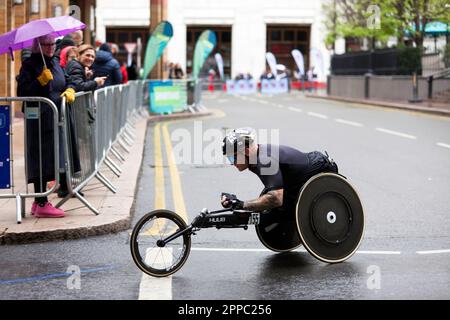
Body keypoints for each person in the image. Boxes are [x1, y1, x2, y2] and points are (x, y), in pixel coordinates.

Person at [16, 34, 77, 218]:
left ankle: (39, 201)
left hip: (55, 117)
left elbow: (67, 79)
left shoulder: (55, 62)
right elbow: (22, 92)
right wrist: (39, 81)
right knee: (41, 158)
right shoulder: (30, 64)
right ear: (38, 45)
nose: (50, 48)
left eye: (52, 44)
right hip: (40, 118)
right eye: (46, 44)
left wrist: (71, 88)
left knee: (51, 157)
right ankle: (42, 202)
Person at [220, 128, 338, 215]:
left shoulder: (264, 160)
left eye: (232, 158)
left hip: (321, 168)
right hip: (298, 177)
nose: (232, 163)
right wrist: (237, 203)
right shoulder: (255, 158)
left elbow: (276, 199)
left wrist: (241, 204)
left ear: (245, 151)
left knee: (275, 202)